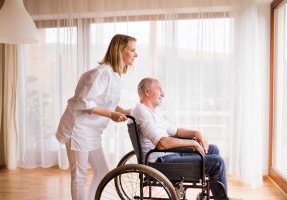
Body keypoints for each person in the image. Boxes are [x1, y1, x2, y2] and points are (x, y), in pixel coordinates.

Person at [56, 34, 138, 200]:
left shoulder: (115, 75)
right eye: (132, 50)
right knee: (79, 175)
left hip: (92, 130)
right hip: (78, 128)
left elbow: (106, 101)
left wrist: (125, 111)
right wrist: (111, 115)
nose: (136, 54)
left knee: (102, 171)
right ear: (120, 50)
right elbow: (84, 102)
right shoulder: (101, 73)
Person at [130, 77, 228, 199]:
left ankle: (214, 196)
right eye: (159, 89)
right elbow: (162, 143)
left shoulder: (152, 112)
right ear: (147, 91)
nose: (163, 94)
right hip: (160, 163)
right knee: (217, 163)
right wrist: (192, 143)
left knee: (213, 149)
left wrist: (196, 133)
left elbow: (175, 131)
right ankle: (222, 198)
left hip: (168, 156)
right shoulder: (141, 111)